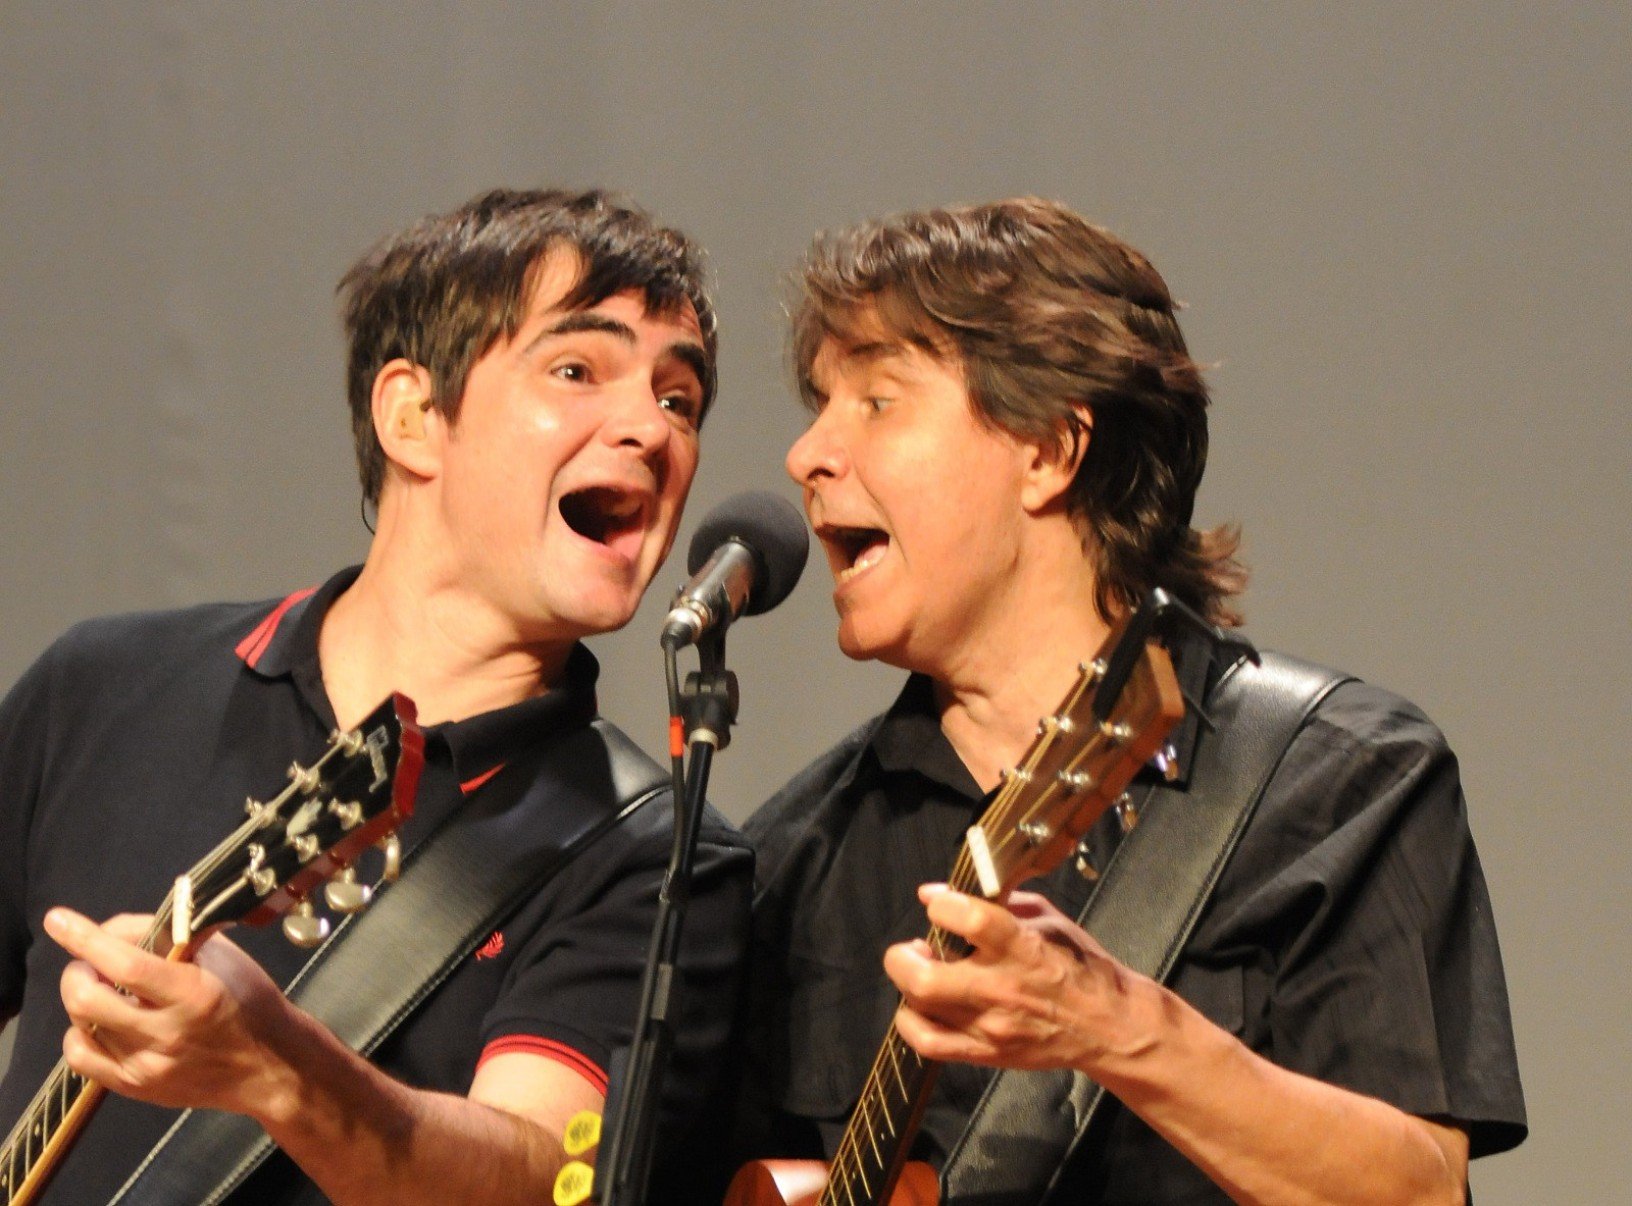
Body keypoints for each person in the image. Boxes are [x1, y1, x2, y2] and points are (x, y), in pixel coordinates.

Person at [737, 198, 1525, 1203]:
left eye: (877, 402)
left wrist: (1121, 1031)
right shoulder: (789, 860)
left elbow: (1414, 1190)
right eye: (818, 403)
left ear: (1051, 451)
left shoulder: (1343, 780)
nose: (807, 454)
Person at [0, 188, 751, 1205]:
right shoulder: (102, 689)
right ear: (412, 415)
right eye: (578, 369)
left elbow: (549, 1176)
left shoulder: (658, 859)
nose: (652, 432)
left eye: (679, 399)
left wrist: (281, 1069)